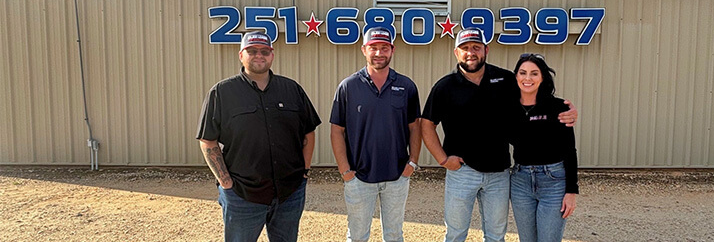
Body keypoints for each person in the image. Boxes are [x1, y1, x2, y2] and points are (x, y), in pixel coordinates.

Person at [421, 28, 577, 242]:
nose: (471, 52)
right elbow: (427, 123)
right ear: (456, 52)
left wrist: (564, 109)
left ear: (486, 50)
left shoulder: (505, 79)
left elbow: (532, 93)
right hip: (462, 171)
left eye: (476, 47)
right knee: (456, 234)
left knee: (495, 235)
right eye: (465, 48)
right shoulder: (445, 87)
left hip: (499, 173)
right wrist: (443, 159)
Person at [196, 31, 321, 242]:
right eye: (252, 51)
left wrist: (304, 173)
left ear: (272, 55)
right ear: (241, 55)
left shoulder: (291, 89)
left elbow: (308, 131)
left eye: (264, 51)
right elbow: (208, 140)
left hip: (289, 193)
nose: (259, 56)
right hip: (243, 195)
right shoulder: (222, 92)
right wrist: (226, 183)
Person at [330, 26, 422, 242]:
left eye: (384, 48)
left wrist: (413, 163)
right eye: (373, 48)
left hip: (397, 176)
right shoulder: (348, 86)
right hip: (359, 177)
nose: (379, 53)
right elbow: (336, 130)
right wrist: (345, 171)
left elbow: (414, 127)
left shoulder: (406, 86)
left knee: (394, 234)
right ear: (364, 50)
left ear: (392, 50)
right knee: (358, 235)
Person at [509, 53, 578, 242]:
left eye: (534, 73)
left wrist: (571, 191)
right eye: (523, 73)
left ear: (542, 78)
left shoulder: (558, 107)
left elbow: (570, 150)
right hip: (520, 182)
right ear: (516, 77)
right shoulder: (508, 107)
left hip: (553, 182)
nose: (527, 78)